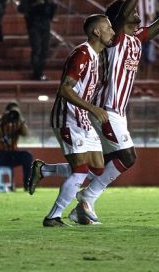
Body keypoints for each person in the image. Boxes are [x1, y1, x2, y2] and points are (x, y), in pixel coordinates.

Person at [73, 0, 159, 224]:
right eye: (132, 11)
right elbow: (121, 16)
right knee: (128, 156)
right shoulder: (115, 38)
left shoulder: (137, 39)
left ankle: (74, 199)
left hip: (118, 111)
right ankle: (87, 197)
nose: (137, 13)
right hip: (106, 108)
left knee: (106, 161)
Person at [30, 13, 115, 227]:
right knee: (81, 170)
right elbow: (65, 89)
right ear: (97, 32)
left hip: (81, 118)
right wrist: (93, 108)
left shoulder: (95, 56)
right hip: (67, 117)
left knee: (97, 170)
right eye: (108, 28)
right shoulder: (82, 54)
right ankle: (53, 217)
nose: (112, 32)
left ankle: (44, 170)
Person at [17, 0, 57, 80]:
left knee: (44, 49)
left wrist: (50, 7)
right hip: (33, 23)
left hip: (45, 23)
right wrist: (35, 4)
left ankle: (40, 72)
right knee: (37, 48)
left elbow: (53, 7)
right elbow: (21, 8)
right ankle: (37, 73)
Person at [0, 100, 33, 191]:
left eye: (16, 112)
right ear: (6, 111)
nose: (13, 115)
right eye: (11, 112)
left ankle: (28, 185)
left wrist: (21, 120)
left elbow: (26, 135)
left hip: (11, 154)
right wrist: (2, 122)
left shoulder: (18, 122)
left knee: (27, 155)